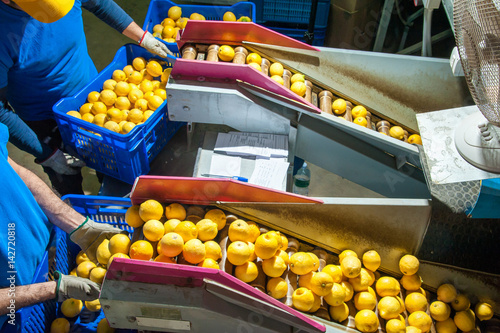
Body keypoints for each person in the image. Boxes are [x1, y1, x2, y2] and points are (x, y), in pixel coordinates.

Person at [0, 0, 172, 196]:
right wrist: (47, 154)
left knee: (113, 172)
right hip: (44, 120)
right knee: (67, 182)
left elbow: (99, 4)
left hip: (98, 102)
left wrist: (143, 38)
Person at [0, 121, 125, 330]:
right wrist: (54, 289)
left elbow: (10, 167)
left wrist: (79, 226)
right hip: (15, 315)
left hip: (46, 253)